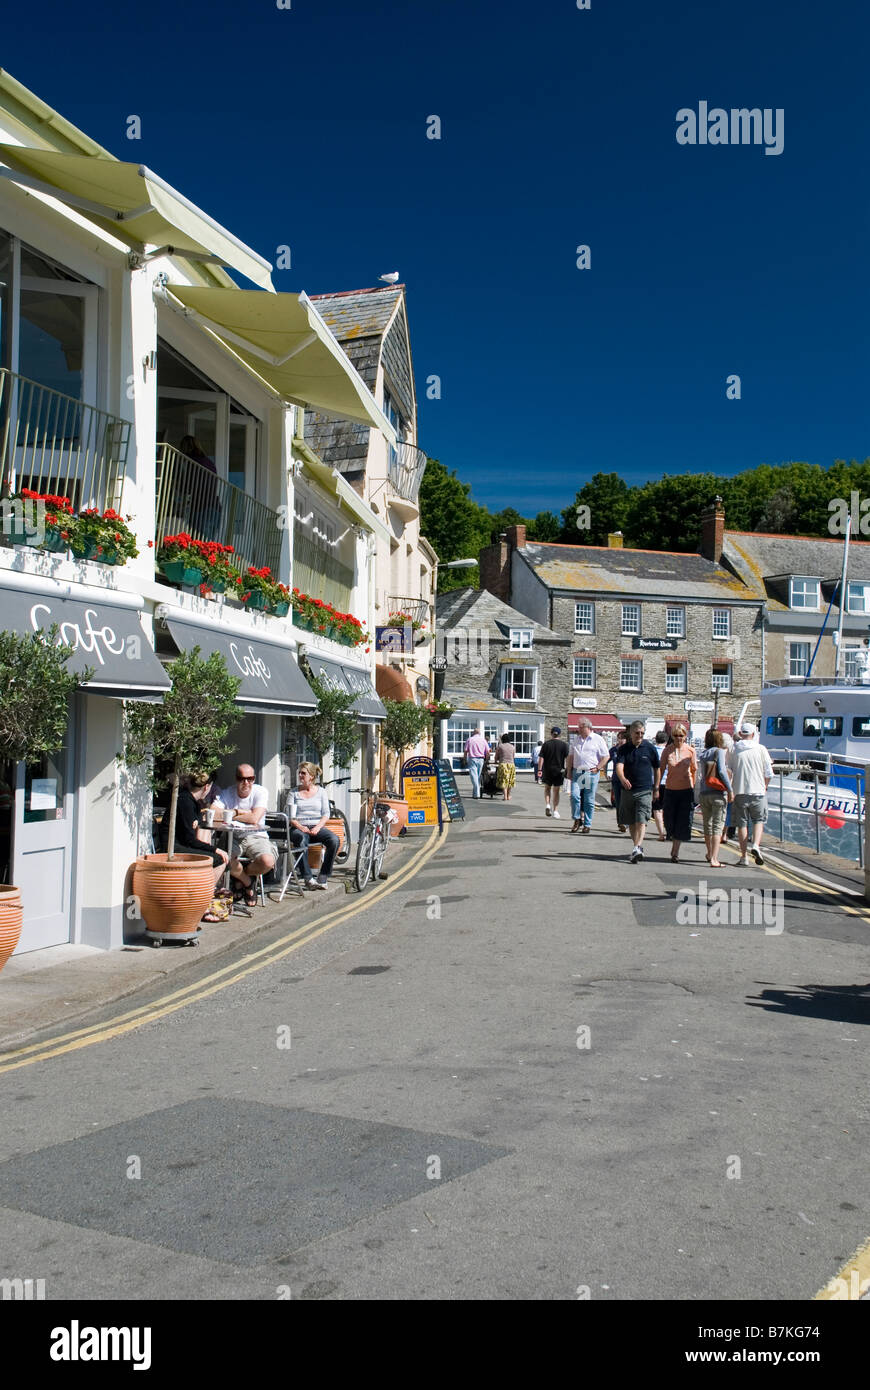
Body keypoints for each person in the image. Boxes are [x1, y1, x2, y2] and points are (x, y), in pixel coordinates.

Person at [159, 771, 229, 918]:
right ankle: (202, 904)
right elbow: (189, 840)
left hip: (180, 844)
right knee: (219, 859)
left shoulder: (190, 801)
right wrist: (215, 849)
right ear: (207, 787)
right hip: (173, 848)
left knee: (216, 857)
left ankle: (202, 901)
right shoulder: (186, 802)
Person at [219, 763, 278, 905]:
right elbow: (213, 812)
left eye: (250, 779)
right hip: (233, 836)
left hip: (256, 836)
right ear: (236, 778)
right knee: (223, 858)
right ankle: (247, 881)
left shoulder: (260, 791)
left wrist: (229, 814)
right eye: (241, 779)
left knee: (267, 861)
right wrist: (239, 813)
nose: (246, 782)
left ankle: (239, 876)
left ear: (254, 779)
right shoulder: (227, 793)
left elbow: (254, 819)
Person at [287, 762, 339, 889]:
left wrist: (318, 827)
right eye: (299, 772)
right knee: (300, 839)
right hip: (299, 827)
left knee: (334, 840)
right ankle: (308, 878)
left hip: (316, 827)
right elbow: (290, 816)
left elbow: (326, 813)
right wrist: (300, 827)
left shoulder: (321, 792)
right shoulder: (293, 793)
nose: (300, 775)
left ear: (311, 776)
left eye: (303, 773)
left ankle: (323, 876)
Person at [615, 720, 661, 863]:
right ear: (631, 733)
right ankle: (637, 848)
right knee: (631, 822)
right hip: (628, 791)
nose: (640, 735)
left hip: (645, 790)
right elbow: (619, 766)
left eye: (642, 733)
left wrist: (656, 787)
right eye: (637, 733)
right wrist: (622, 778)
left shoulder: (650, 748)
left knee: (641, 820)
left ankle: (637, 846)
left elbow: (657, 769)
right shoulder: (624, 749)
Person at [729, 722, 773, 866]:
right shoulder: (761, 749)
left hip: (740, 791)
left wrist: (730, 790)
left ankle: (743, 857)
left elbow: (729, 771)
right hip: (758, 791)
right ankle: (755, 845)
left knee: (742, 824)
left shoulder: (734, 749)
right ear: (753, 735)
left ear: (741, 734)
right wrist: (765, 786)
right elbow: (768, 772)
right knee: (758, 821)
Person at [661, 723, 697, 863]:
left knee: (683, 821)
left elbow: (694, 770)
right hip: (670, 789)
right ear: (672, 736)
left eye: (681, 736)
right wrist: (656, 787)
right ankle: (672, 839)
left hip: (686, 790)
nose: (678, 738)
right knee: (669, 820)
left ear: (685, 736)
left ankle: (675, 851)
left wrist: (692, 786)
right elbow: (661, 768)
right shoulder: (667, 751)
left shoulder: (691, 751)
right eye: (675, 736)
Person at [698, 729, 734, 867]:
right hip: (718, 793)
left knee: (707, 826)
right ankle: (714, 858)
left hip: (704, 793)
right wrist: (729, 790)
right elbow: (721, 772)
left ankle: (709, 853)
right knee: (717, 827)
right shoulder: (719, 752)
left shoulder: (703, 754)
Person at [566, 718, 609, 833]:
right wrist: (568, 771)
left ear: (588, 727)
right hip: (578, 771)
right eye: (578, 727)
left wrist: (598, 767)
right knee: (575, 796)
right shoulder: (576, 740)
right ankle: (577, 819)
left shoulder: (598, 739)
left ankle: (587, 824)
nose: (578, 729)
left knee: (588, 799)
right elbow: (570, 756)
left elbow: (606, 756)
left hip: (591, 772)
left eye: (581, 727)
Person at [180, 434, 220, 534]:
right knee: (208, 545)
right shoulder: (208, 462)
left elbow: (189, 486)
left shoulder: (192, 462)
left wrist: (176, 484)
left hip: (201, 507)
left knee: (198, 542)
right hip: (214, 506)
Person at [539, 726, 569, 817]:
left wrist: (539, 770)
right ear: (559, 734)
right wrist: (567, 770)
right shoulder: (564, 745)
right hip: (559, 771)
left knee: (547, 788)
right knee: (556, 791)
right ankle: (555, 810)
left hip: (547, 770)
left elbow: (541, 758)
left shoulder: (546, 744)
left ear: (551, 733)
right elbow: (568, 759)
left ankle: (548, 805)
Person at [607, 728, 630, 831]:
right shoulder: (614, 750)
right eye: (619, 738)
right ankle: (621, 822)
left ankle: (626, 822)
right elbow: (606, 760)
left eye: (622, 738)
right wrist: (607, 773)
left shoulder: (629, 749)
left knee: (626, 802)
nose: (620, 740)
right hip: (616, 779)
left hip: (627, 779)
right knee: (618, 801)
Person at [652, 730, 669, 841]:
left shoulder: (652, 750)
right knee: (667, 809)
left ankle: (661, 834)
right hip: (668, 783)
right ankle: (669, 831)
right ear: (666, 741)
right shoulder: (669, 751)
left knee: (657, 809)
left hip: (654, 783)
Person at [464, 729, 489, 799]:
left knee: (473, 776)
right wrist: (486, 760)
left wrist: (464, 759)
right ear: (479, 733)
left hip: (472, 758)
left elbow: (466, 751)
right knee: (477, 776)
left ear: (473, 733)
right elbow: (487, 751)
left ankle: (477, 793)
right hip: (481, 759)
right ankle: (474, 794)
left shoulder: (469, 740)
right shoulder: (483, 740)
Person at [495, 733, 517, 802]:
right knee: (510, 781)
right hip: (511, 765)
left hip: (503, 764)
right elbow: (513, 757)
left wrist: (496, 760)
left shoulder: (500, 746)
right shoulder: (513, 747)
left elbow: (496, 756)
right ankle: (508, 795)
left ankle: (505, 796)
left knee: (504, 780)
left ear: (502, 739)